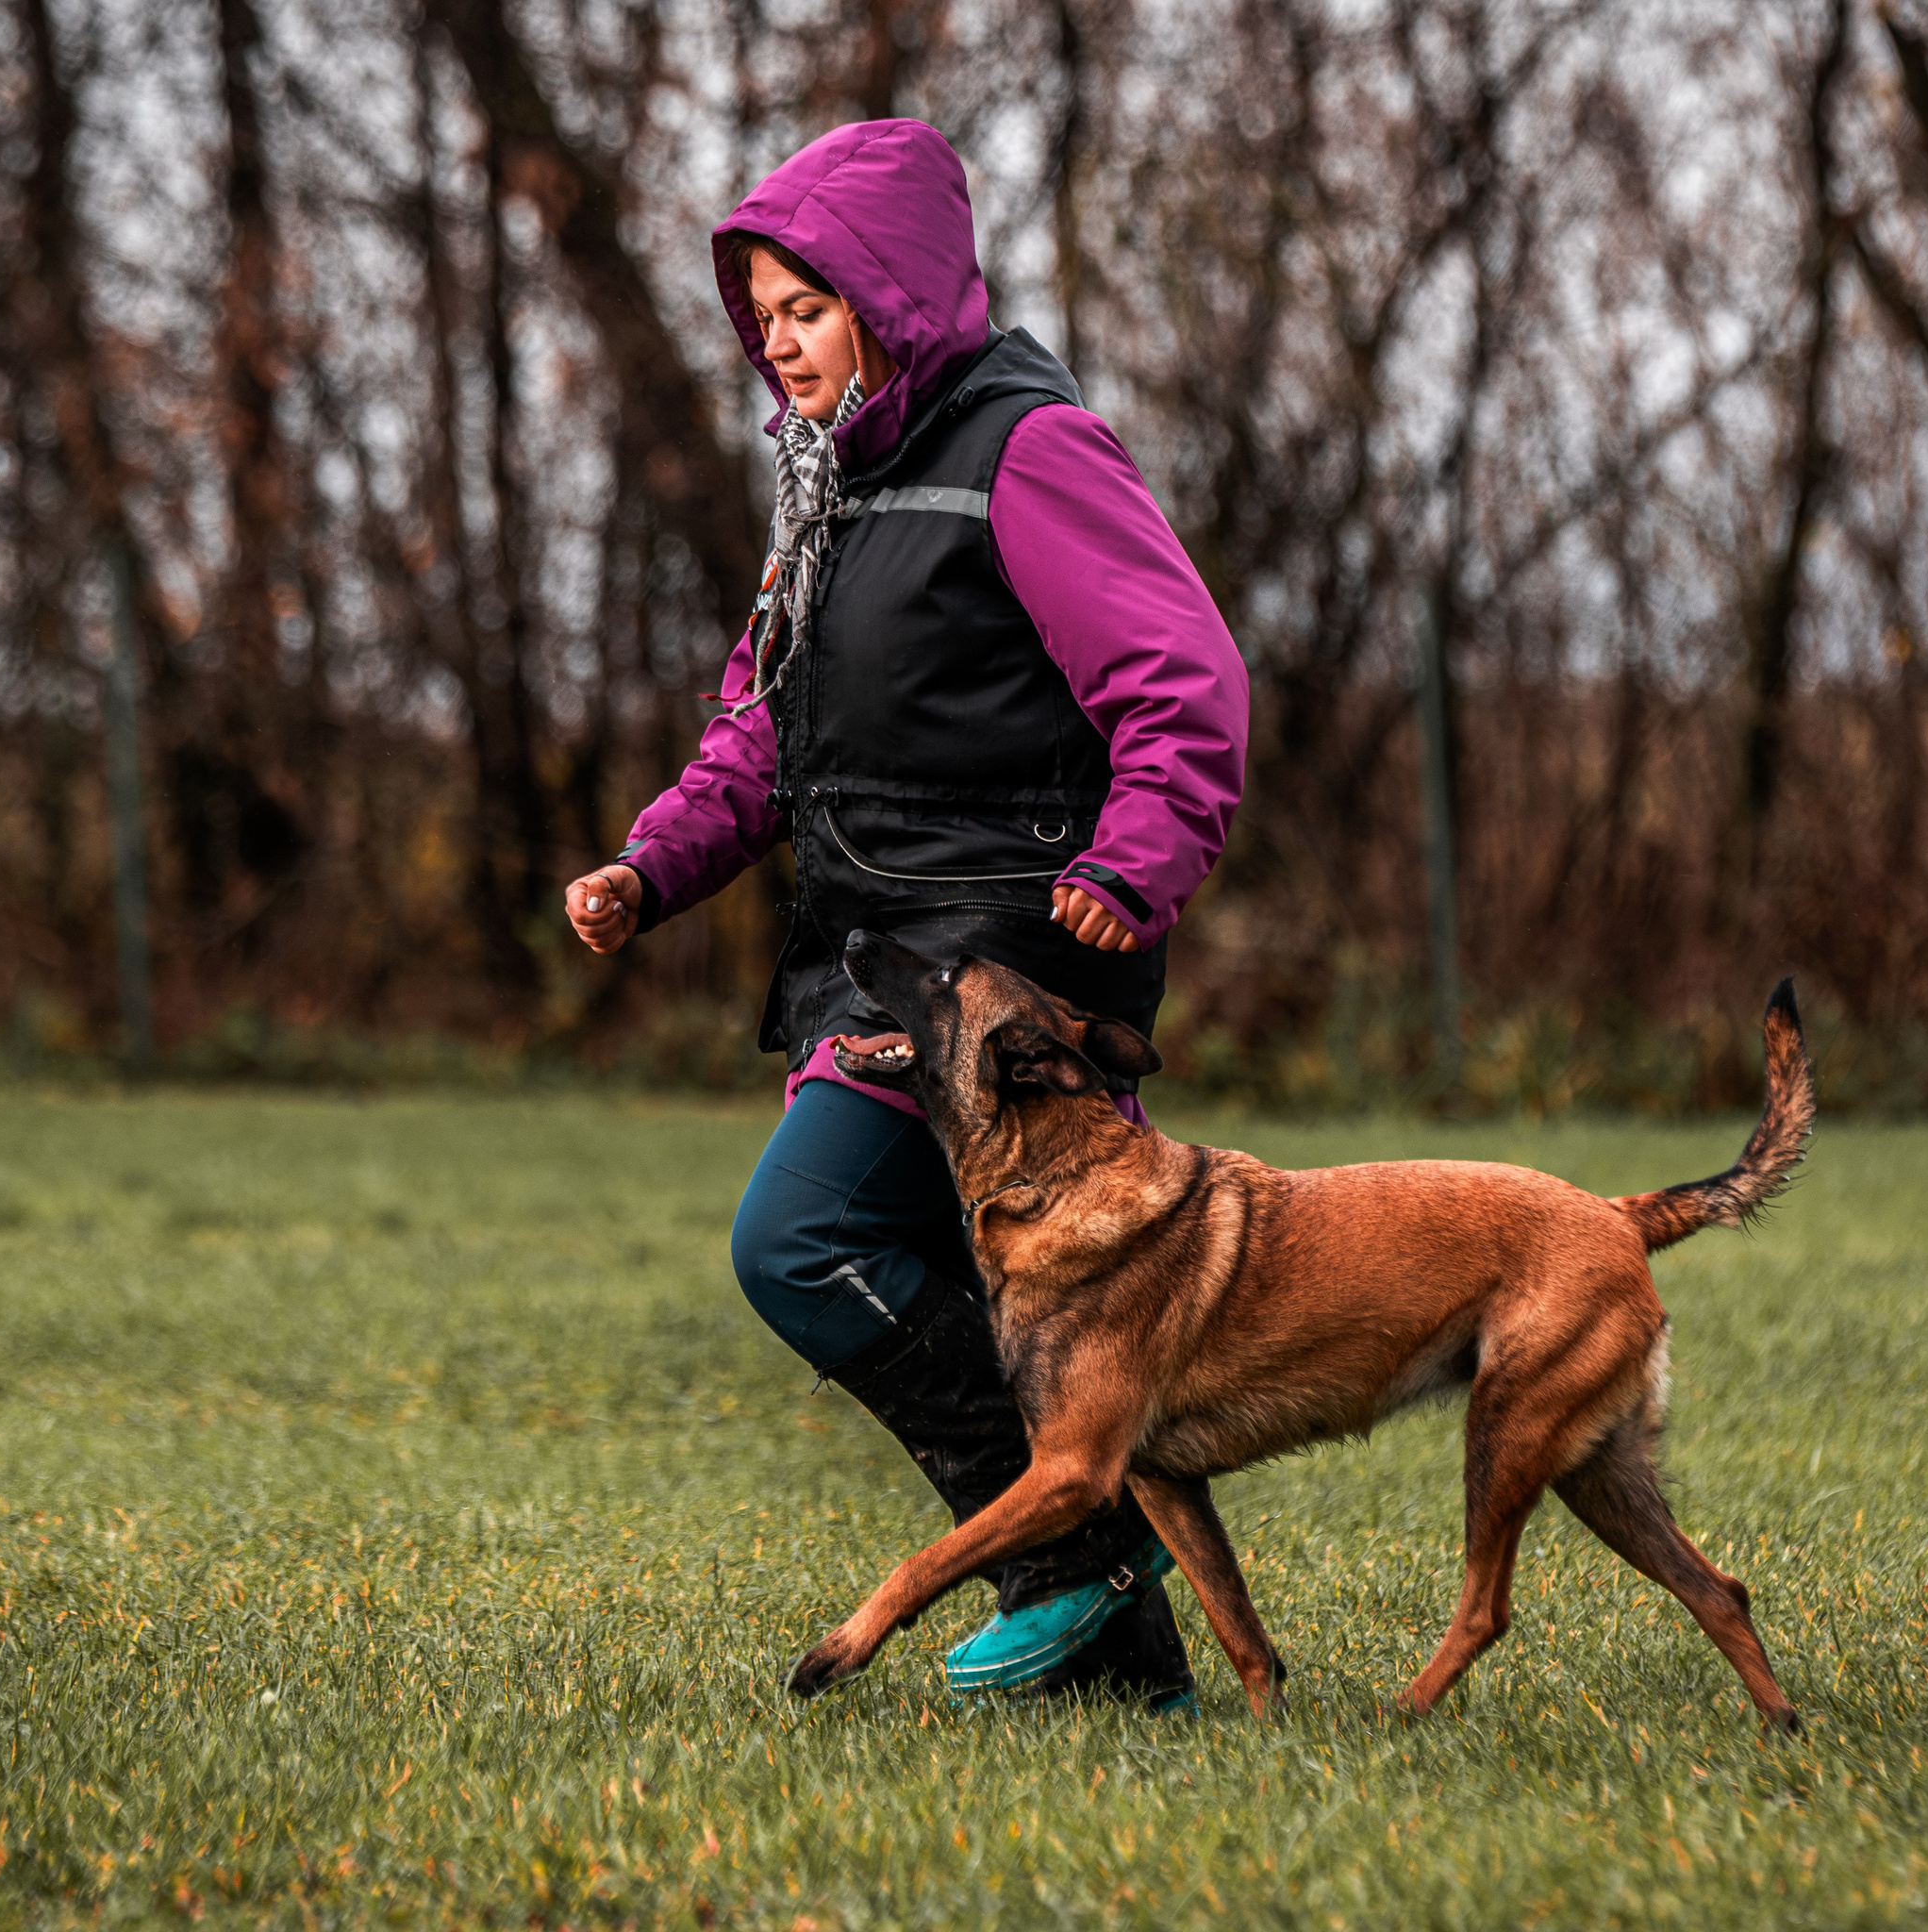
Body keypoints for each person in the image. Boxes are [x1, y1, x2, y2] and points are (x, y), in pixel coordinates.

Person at [567, 120, 1247, 1707]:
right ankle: (1127, 1675)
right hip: (875, 956)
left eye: (807, 306)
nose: (781, 343)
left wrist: (1135, 863)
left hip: (1011, 969)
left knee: (801, 1240)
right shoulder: (819, 490)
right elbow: (766, 726)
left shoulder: (1028, 449)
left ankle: (1069, 1553)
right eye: (762, 315)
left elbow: (1183, 681)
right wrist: (654, 862)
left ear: (888, 293)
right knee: (1008, 1309)